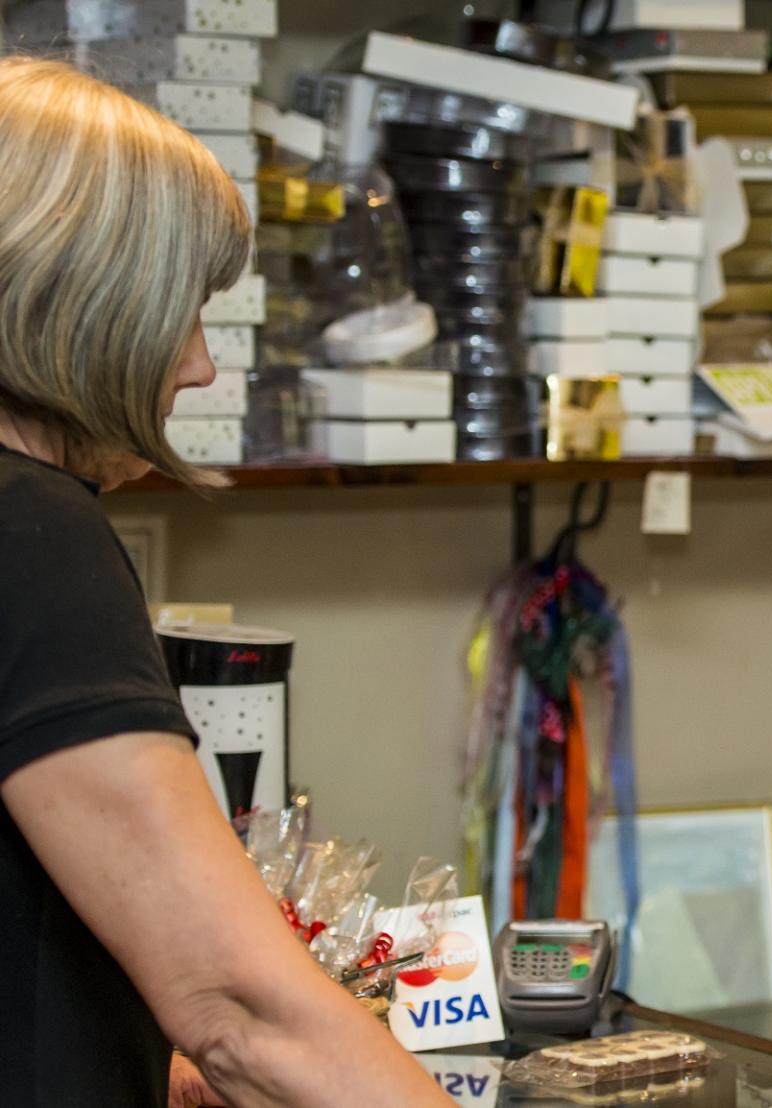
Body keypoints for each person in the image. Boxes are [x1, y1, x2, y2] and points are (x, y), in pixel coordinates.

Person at [0, 58, 452, 1107]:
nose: (199, 364)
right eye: (184, 312)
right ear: (89, 304)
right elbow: (241, 1010)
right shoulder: (35, 533)